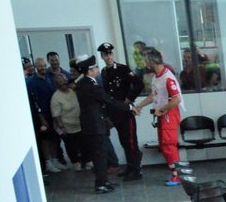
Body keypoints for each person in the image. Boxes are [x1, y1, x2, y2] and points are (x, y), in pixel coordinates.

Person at [133, 49, 186, 185]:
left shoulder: (168, 78)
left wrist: (162, 110)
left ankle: (178, 175)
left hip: (170, 114)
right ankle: (174, 173)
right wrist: (140, 105)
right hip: (163, 114)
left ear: (151, 61)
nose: (144, 63)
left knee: (169, 145)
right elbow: (154, 95)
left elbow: (176, 99)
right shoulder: (156, 77)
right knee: (164, 145)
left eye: (146, 60)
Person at [74, 56, 123, 193]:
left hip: (94, 124)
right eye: (95, 68)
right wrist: (129, 108)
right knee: (99, 155)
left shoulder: (84, 83)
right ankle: (100, 184)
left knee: (101, 154)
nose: (97, 70)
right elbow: (107, 100)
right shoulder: (90, 85)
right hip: (94, 125)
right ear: (89, 71)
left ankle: (104, 181)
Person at [99, 42, 145, 180]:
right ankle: (130, 167)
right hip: (114, 112)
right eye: (105, 55)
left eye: (110, 54)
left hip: (125, 112)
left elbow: (138, 84)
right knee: (124, 141)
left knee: (131, 140)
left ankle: (136, 170)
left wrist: (129, 98)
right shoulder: (104, 72)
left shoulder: (123, 69)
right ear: (102, 56)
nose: (108, 57)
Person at [48, 71, 84, 168]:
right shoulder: (55, 97)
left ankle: (84, 161)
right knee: (71, 147)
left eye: (64, 80)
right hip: (67, 127)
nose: (63, 83)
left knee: (82, 145)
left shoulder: (73, 91)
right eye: (60, 82)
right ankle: (75, 163)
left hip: (79, 124)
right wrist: (62, 127)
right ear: (56, 84)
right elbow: (56, 115)